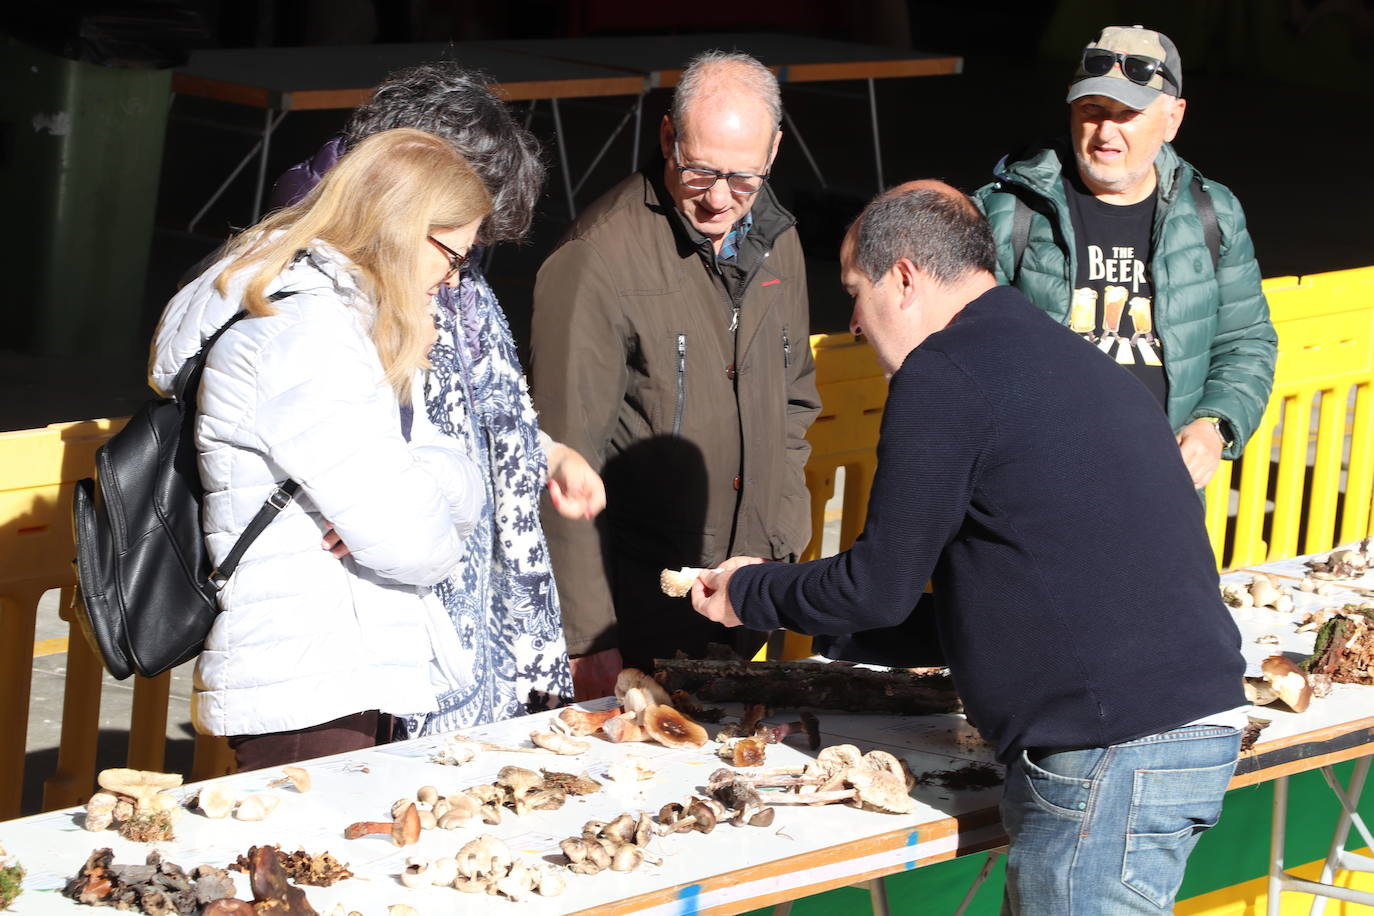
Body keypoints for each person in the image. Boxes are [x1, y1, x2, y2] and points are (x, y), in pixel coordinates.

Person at [692, 181, 1247, 915]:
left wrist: (750, 592)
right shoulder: (1060, 357)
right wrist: (816, 620)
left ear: (906, 277)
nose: (854, 324)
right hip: (1187, 731)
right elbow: (979, 611)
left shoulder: (945, 372)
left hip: (1111, 753)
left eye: (855, 293)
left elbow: (876, 584)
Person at [271, 62, 605, 733]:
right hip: (378, 627)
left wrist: (546, 452)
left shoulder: (438, 257)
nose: (468, 258)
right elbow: (331, 430)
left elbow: (471, 409)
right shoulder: (326, 274)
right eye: (461, 239)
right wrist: (361, 504)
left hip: (469, 599)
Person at [149, 129, 492, 770]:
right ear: (404, 229)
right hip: (309, 679)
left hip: (335, 664)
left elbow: (460, 480)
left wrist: (414, 484)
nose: (451, 281)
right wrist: (415, 498)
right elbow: (416, 544)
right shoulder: (306, 337)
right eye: (453, 257)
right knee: (309, 867)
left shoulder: (347, 322)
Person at [531, 50, 820, 694]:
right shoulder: (596, 260)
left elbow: (797, 400)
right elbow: (558, 464)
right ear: (667, 137)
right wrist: (588, 639)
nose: (719, 199)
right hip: (640, 609)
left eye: (743, 179)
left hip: (747, 592)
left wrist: (781, 533)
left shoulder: (780, 239)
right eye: (700, 171)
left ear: (774, 151)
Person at [972, 25, 1276, 490]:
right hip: (1036, 490)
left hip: (1162, 491)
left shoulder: (1212, 213)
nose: (1105, 132)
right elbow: (958, 349)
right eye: (1091, 111)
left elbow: (1246, 341)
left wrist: (1214, 425)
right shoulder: (1009, 211)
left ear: (1173, 118)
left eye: (1128, 113)